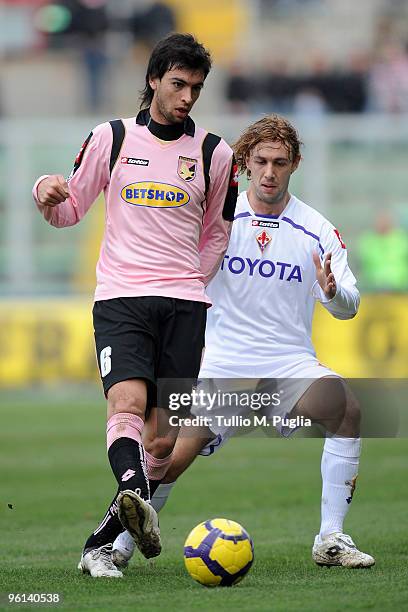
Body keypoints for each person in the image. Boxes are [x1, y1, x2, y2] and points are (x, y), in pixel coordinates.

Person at [113, 114, 375, 569]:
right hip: (221, 365)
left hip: (287, 365)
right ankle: (116, 547)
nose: (270, 172)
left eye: (280, 162)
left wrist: (333, 294)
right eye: (261, 161)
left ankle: (331, 539)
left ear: (295, 164)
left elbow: (349, 305)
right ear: (244, 165)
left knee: (347, 409)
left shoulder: (318, 230)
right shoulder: (218, 221)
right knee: (166, 458)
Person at [32, 33, 238, 578]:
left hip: (185, 304)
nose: (187, 96)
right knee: (125, 405)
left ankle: (102, 541)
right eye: (178, 84)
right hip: (122, 297)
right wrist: (44, 191)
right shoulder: (113, 137)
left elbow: (218, 232)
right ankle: (130, 495)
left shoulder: (218, 154)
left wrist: (193, 278)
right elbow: (70, 207)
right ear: (153, 80)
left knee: (163, 442)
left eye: (196, 87)